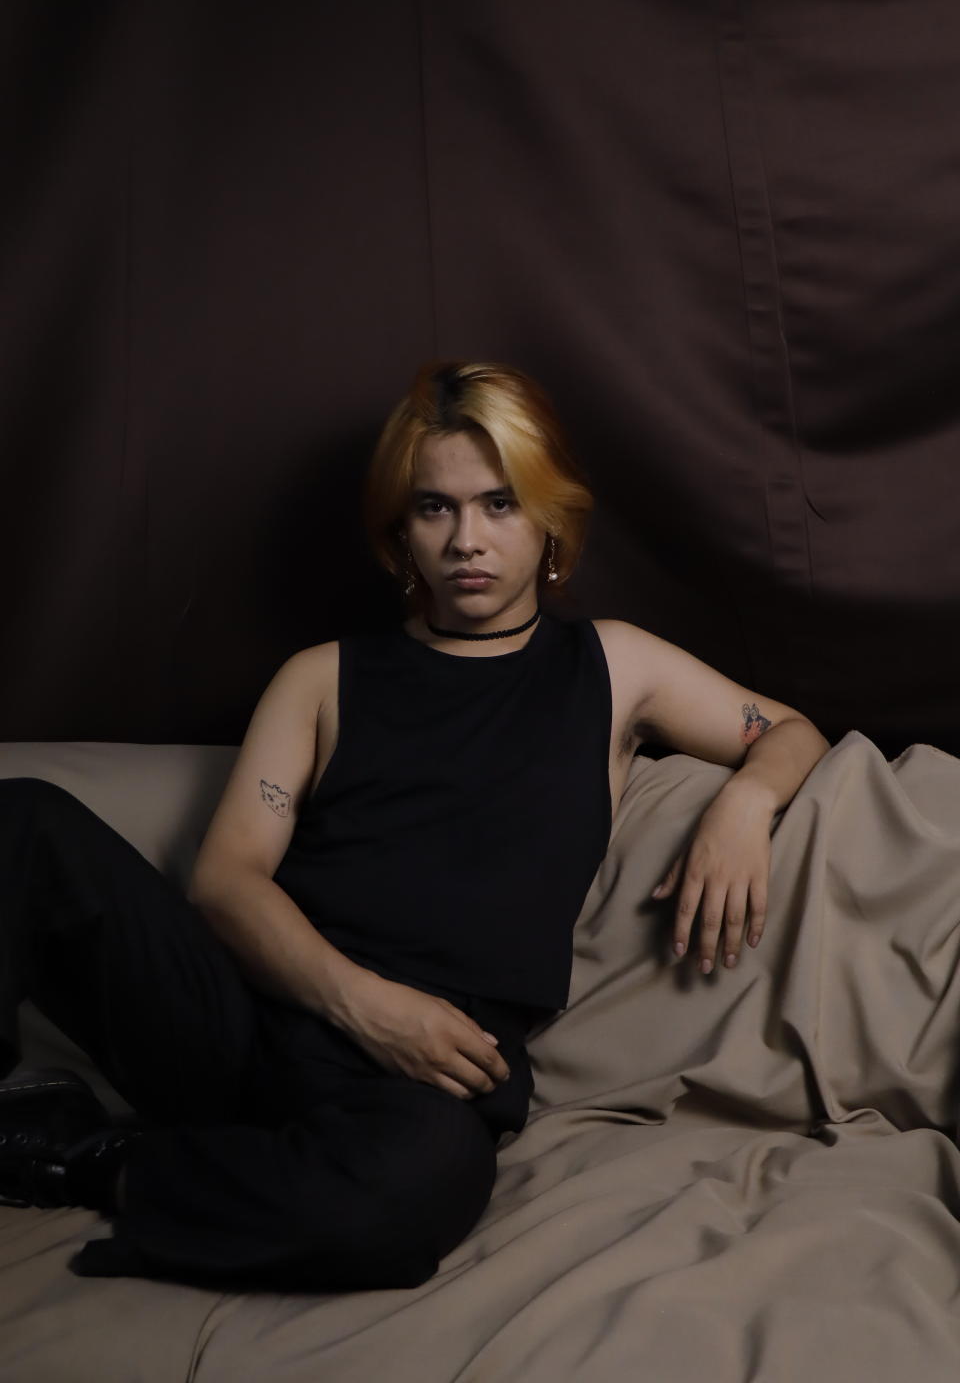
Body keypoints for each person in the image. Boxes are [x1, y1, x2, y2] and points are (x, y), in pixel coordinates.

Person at [0, 359, 830, 1289]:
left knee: (397, 1204)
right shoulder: (322, 678)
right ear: (402, 530)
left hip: (426, 1079)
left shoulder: (613, 666)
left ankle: (92, 1159)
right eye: (436, 508)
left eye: (499, 505)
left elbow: (791, 731)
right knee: (21, 821)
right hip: (241, 1023)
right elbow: (226, 880)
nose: (467, 540)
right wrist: (363, 1003)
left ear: (549, 519)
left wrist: (745, 803)